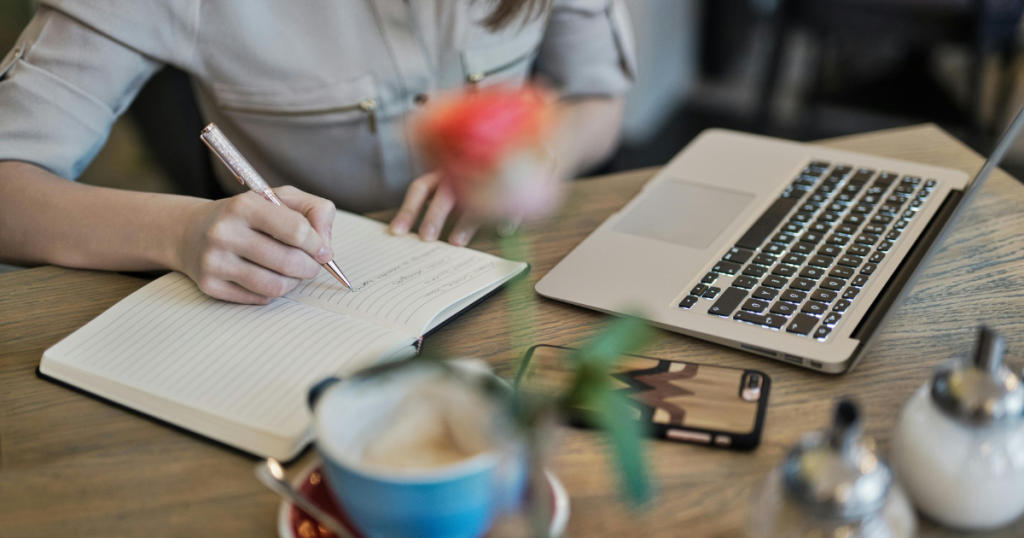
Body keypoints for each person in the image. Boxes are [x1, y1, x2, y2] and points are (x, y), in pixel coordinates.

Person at [0, 0, 636, 304]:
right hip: (294, 301)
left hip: (515, 276)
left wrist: (544, 150)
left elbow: (599, 100)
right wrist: (182, 230)